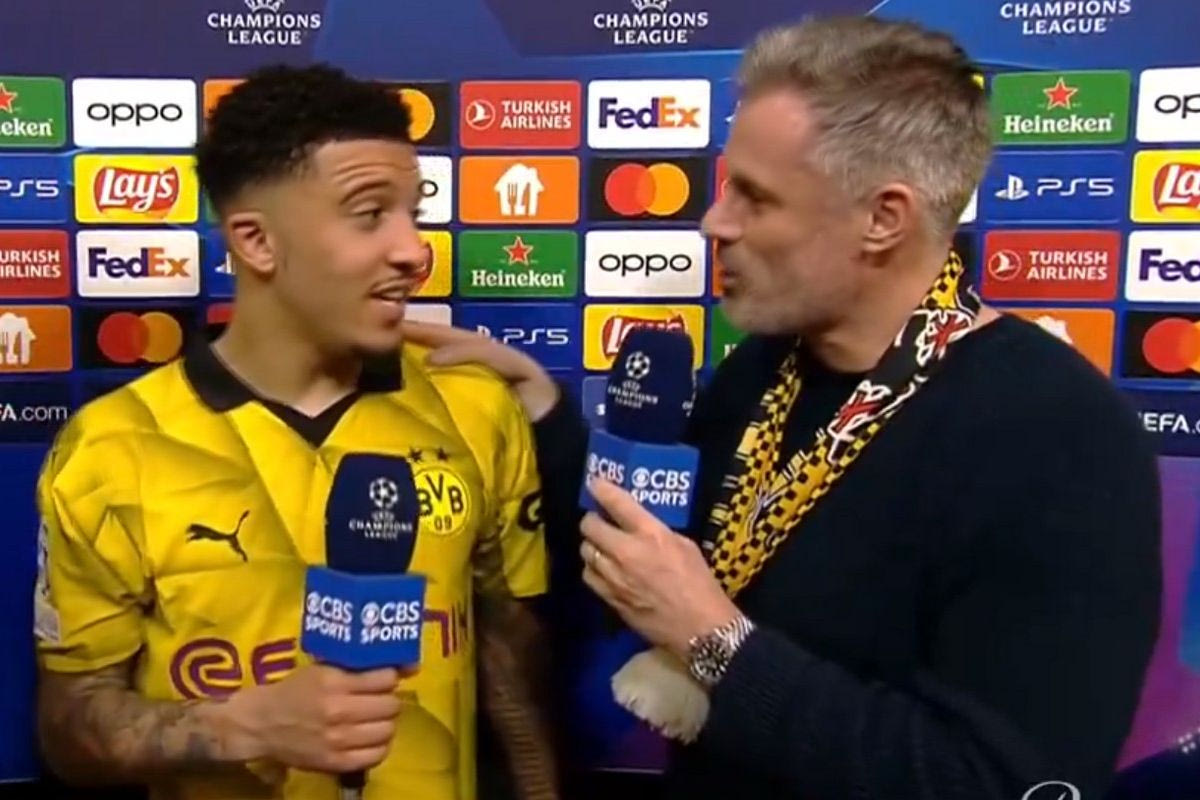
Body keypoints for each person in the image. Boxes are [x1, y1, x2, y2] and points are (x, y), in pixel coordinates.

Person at [402, 15, 1163, 800]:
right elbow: (655, 554)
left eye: (756, 198)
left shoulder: (1058, 439)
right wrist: (542, 412)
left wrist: (716, 645)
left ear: (883, 219)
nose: (714, 222)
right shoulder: (763, 373)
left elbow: (1001, 781)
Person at [33, 64, 557, 800]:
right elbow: (69, 725)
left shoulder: (476, 407)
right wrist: (241, 729)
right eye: (371, 215)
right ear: (256, 241)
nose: (414, 251)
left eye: (414, 214)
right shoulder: (113, 446)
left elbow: (512, 673)